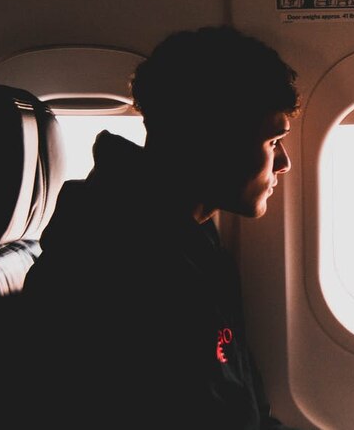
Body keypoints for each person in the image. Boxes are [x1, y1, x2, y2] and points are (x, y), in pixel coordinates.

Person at [19, 26, 301, 429]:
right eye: (273, 141)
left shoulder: (188, 239)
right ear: (217, 136)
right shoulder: (120, 265)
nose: (284, 162)